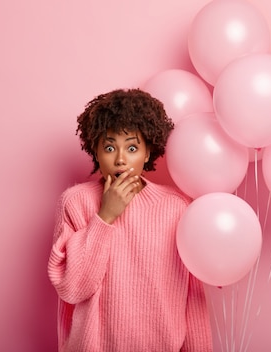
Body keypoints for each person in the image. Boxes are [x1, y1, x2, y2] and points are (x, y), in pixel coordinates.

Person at [47, 88, 213, 351]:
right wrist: (105, 217)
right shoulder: (76, 202)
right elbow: (73, 289)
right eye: (110, 147)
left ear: (147, 153)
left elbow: (192, 298)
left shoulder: (177, 207)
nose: (121, 159)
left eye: (132, 147)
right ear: (96, 152)